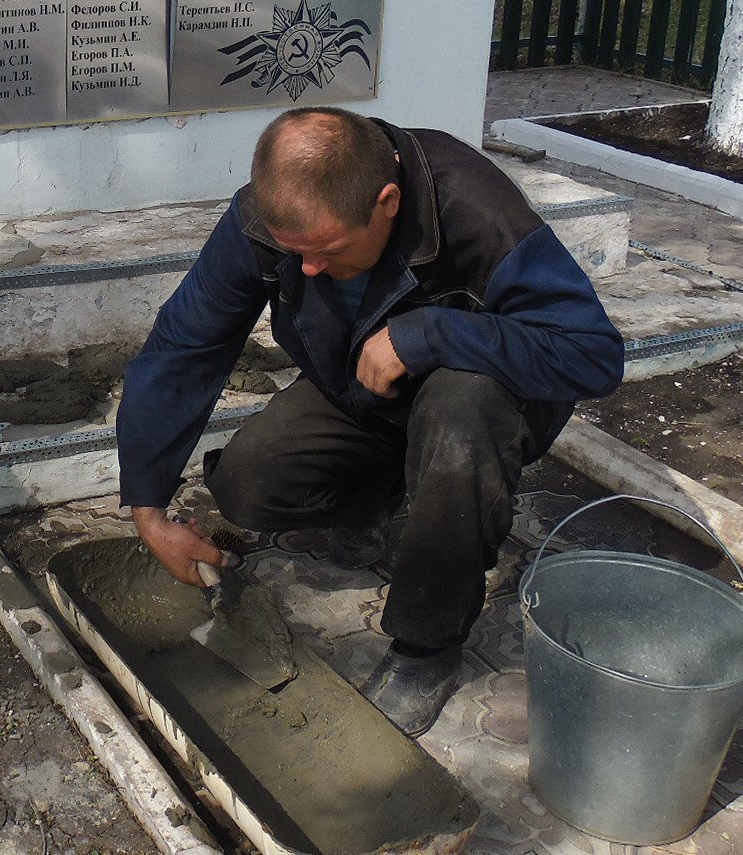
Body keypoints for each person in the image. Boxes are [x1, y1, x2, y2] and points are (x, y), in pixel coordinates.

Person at [117, 107, 622, 735]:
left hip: (480, 401)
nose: (307, 272)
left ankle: (427, 645)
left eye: (327, 252)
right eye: (294, 254)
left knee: (459, 424)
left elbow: (592, 355)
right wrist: (148, 507)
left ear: (386, 202)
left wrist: (431, 333)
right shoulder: (269, 216)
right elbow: (182, 349)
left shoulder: (475, 211)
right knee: (250, 480)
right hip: (362, 390)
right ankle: (392, 510)